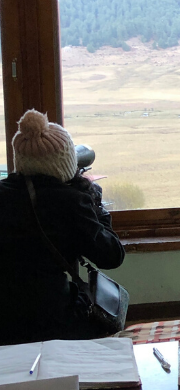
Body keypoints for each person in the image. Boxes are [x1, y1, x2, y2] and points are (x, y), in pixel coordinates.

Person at [0, 110, 125, 345]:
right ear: (65, 164)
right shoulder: (70, 202)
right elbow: (112, 256)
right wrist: (95, 206)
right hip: (53, 320)